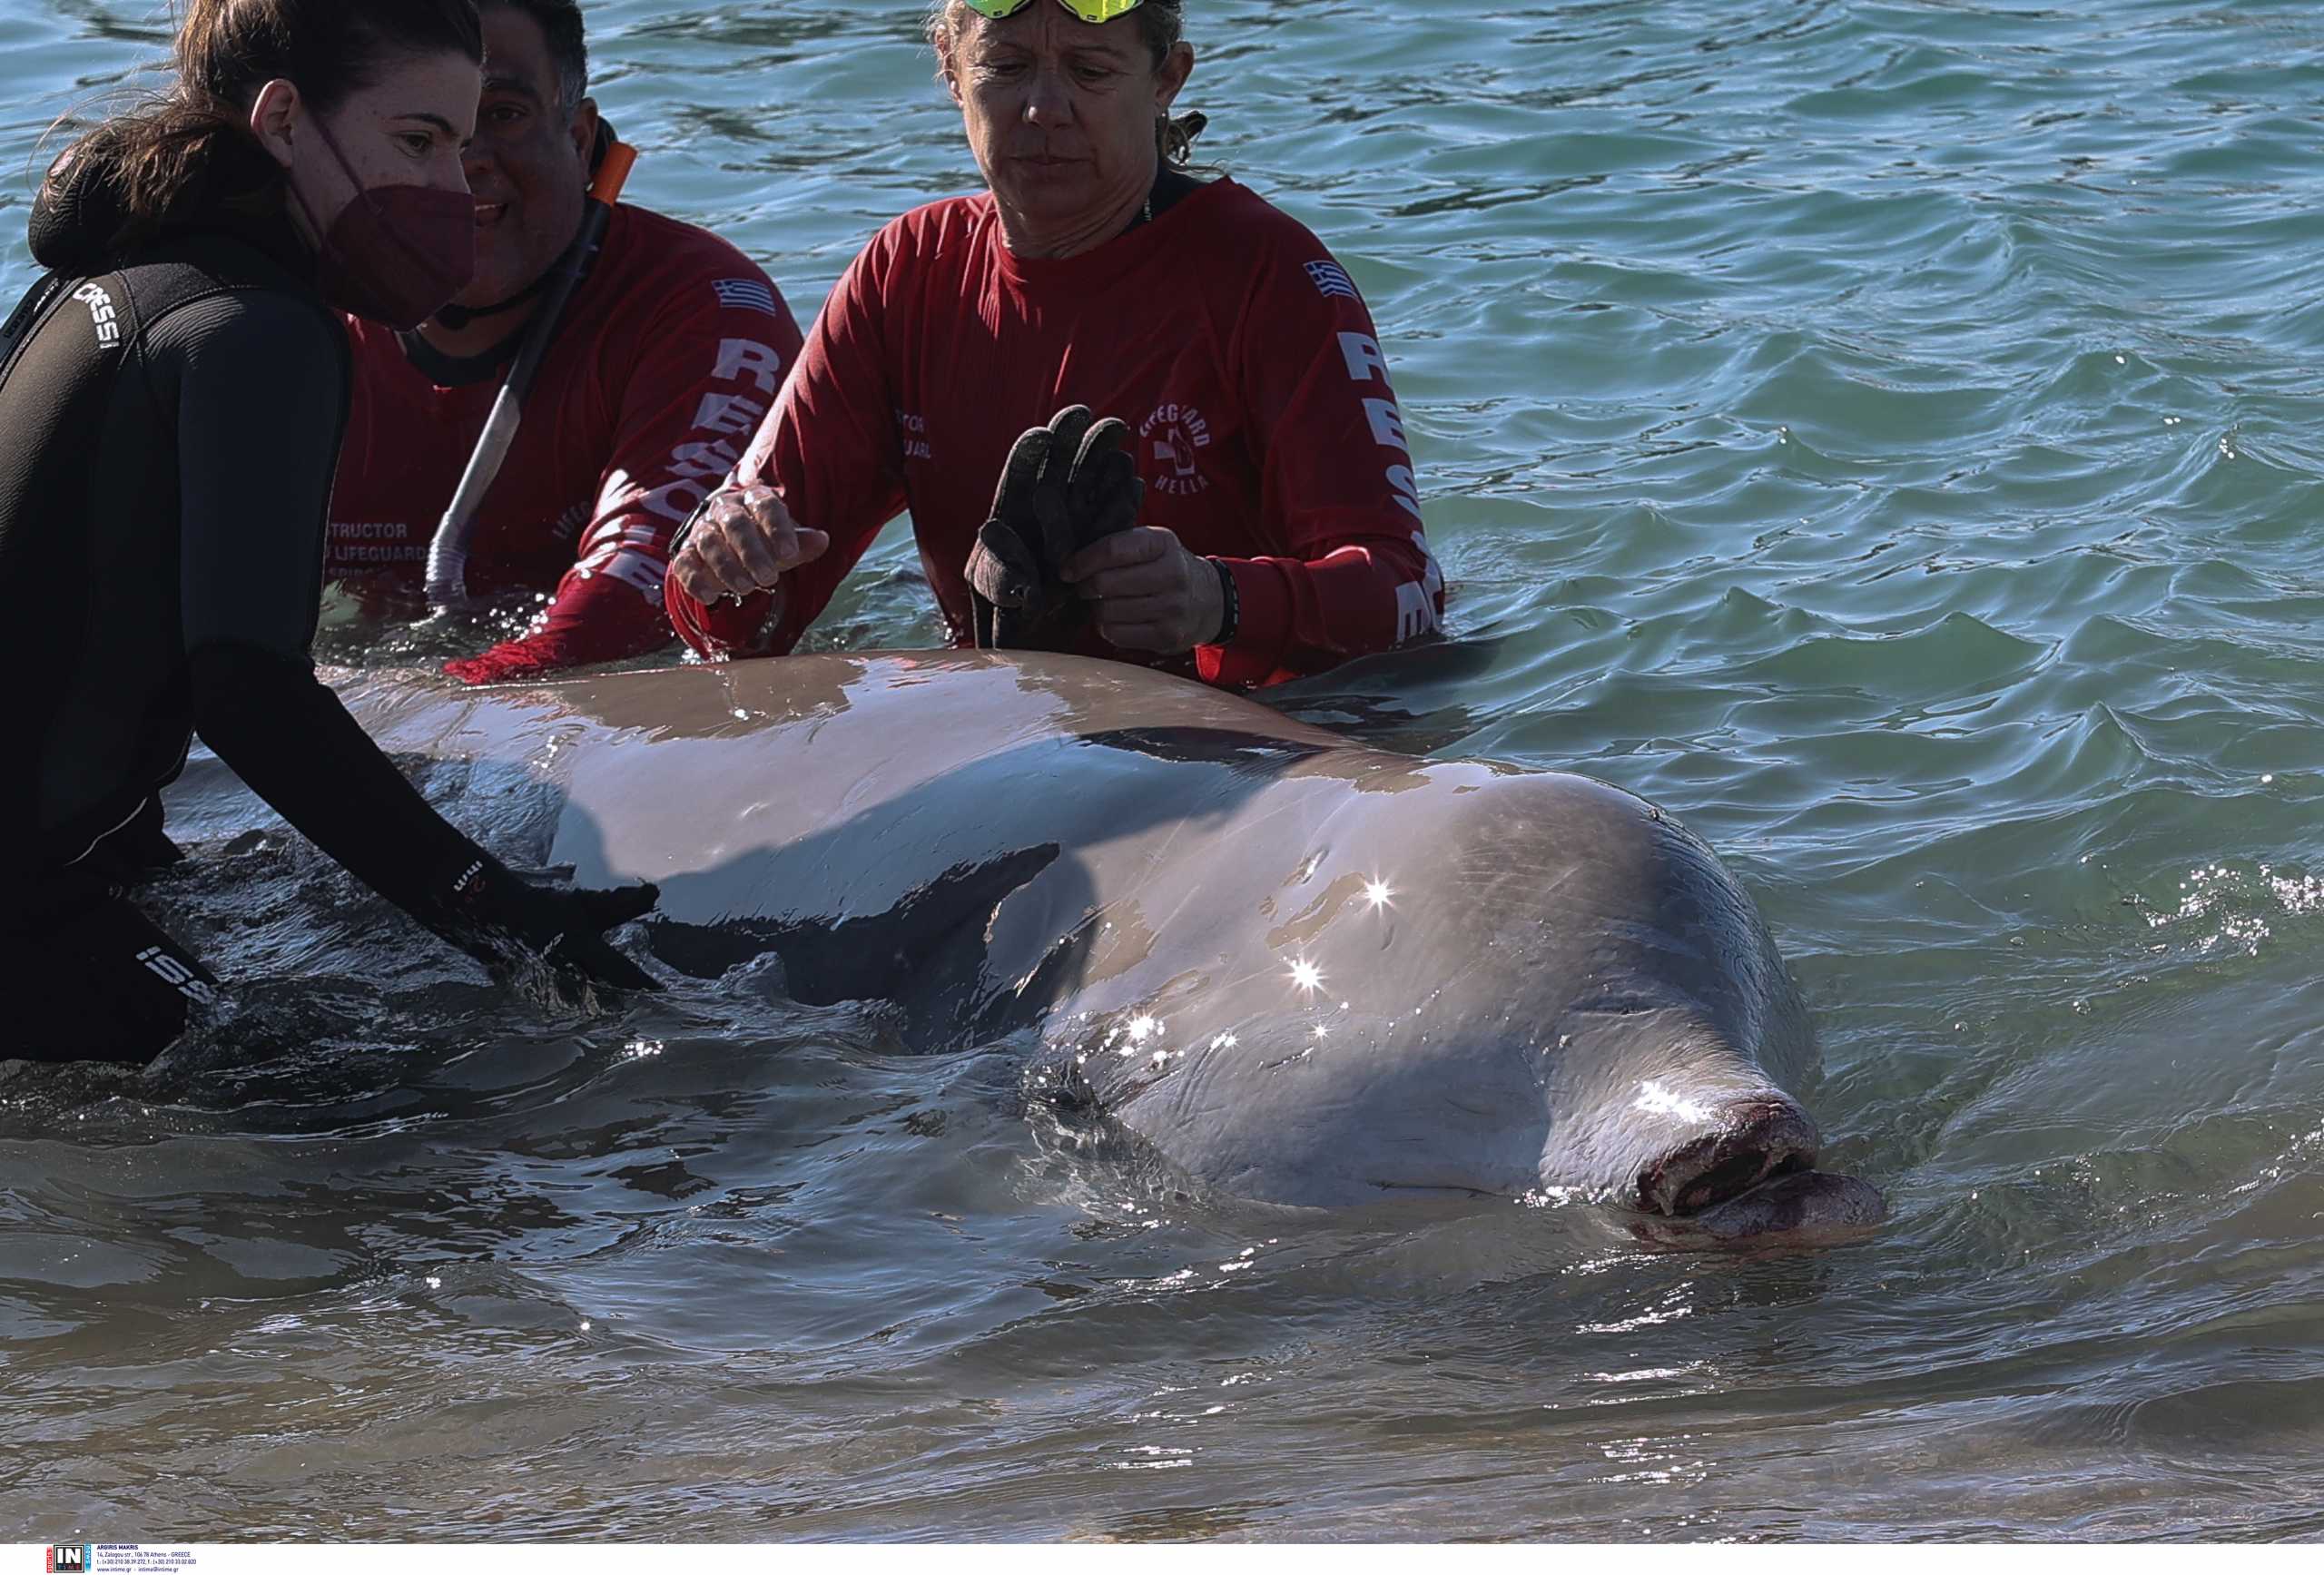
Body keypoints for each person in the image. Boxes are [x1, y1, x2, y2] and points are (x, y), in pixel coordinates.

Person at [0, 0, 658, 1066]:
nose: (453, 187)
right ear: (284, 119)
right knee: (404, 1125)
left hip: (56, 864)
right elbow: (249, 693)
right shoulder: (259, 331)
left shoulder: (107, 276)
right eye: (416, 142)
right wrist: (498, 915)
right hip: (22, 904)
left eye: (461, 143)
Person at [666, 0, 1446, 691]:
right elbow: (728, 630)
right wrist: (722, 567)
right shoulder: (907, 273)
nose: (1043, 109)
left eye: (1090, 70)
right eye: (1005, 67)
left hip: (1250, 748)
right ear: (950, 69)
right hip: (1009, 737)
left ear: (1167, 78)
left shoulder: (1273, 282)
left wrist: (1218, 599)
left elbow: (1407, 598)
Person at [329, 0, 806, 685]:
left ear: (580, 139)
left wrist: (420, 716)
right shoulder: (299, 308)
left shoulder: (704, 308)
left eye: (502, 114)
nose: (465, 160)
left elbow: (624, 605)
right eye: (420, 130)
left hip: (593, 711)